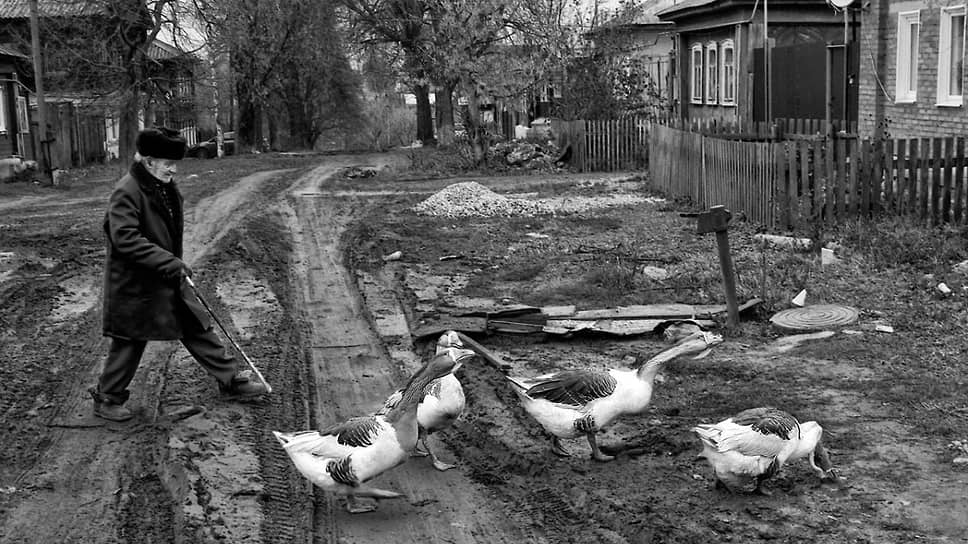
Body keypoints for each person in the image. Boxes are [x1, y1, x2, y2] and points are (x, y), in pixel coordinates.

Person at [88, 126, 269, 422]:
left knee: (195, 325)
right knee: (130, 340)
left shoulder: (160, 184)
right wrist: (168, 261)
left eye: (175, 162)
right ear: (148, 161)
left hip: (164, 276)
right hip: (136, 284)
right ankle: (108, 397)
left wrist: (170, 264)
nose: (174, 168)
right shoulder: (127, 191)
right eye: (168, 162)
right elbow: (125, 238)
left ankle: (230, 380)